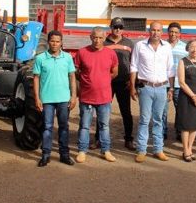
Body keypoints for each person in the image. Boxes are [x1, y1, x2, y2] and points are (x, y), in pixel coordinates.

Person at [130, 21, 175, 163]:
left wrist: (171, 88)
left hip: (162, 88)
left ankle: (158, 149)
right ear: (149, 31)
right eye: (153, 30)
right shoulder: (140, 46)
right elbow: (133, 67)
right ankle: (142, 150)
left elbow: (170, 69)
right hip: (146, 87)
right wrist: (132, 87)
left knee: (158, 120)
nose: (155, 33)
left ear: (162, 32)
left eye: (158, 30)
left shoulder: (167, 47)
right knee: (144, 119)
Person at [74, 27, 119, 164]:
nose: (97, 40)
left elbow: (114, 72)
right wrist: (88, 82)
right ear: (90, 37)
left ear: (104, 38)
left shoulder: (111, 53)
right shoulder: (82, 52)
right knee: (84, 125)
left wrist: (102, 81)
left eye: (100, 38)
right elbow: (76, 71)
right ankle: (82, 151)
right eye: (95, 37)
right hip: (87, 96)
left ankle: (106, 150)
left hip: (104, 97)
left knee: (104, 125)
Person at [32, 30, 77, 167]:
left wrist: (73, 96)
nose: (55, 44)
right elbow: (36, 79)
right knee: (47, 127)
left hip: (64, 99)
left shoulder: (68, 58)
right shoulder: (40, 58)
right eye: (52, 41)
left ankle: (64, 154)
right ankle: (46, 155)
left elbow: (72, 77)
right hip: (47, 99)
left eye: (57, 41)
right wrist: (37, 98)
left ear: (61, 42)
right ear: (48, 42)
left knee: (64, 126)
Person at [102, 17, 135, 151]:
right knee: (103, 112)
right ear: (111, 27)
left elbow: (134, 63)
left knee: (126, 112)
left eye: (120, 27)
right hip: (106, 83)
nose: (117, 29)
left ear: (123, 28)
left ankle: (128, 139)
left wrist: (132, 81)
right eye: (115, 27)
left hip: (124, 83)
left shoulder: (129, 43)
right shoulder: (103, 43)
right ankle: (99, 139)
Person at [175, 40, 196, 162]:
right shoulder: (183, 62)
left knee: (194, 125)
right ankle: (185, 150)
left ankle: (190, 148)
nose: (195, 49)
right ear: (188, 48)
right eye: (192, 47)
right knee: (186, 125)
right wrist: (193, 96)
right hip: (187, 97)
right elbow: (181, 82)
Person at [163, 22, 188, 141]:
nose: (173, 34)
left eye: (176, 32)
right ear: (168, 32)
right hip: (163, 83)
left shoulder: (185, 47)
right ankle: (163, 131)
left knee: (180, 109)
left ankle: (179, 132)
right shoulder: (162, 45)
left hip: (179, 83)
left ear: (180, 34)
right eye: (171, 31)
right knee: (162, 109)